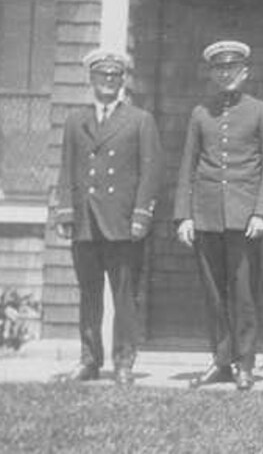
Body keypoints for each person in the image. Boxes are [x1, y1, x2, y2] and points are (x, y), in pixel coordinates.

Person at [175, 40, 263, 391]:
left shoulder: (261, 111)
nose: (226, 74)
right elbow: (187, 167)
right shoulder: (200, 113)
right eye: (220, 69)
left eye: (232, 68)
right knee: (213, 292)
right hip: (206, 216)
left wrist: (262, 212)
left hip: (244, 219)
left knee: (244, 293)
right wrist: (184, 216)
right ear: (212, 74)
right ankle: (221, 360)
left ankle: (245, 363)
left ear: (245, 72)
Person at [52, 49, 162, 385]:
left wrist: (142, 214)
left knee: (124, 295)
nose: (108, 82)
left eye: (115, 76)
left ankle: (124, 360)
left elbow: (151, 171)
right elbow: (67, 168)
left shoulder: (139, 120)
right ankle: (89, 359)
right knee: (89, 293)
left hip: (122, 223)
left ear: (123, 81)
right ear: (91, 79)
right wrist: (65, 211)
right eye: (102, 76)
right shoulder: (75, 121)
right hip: (85, 222)